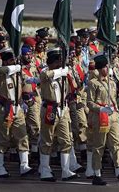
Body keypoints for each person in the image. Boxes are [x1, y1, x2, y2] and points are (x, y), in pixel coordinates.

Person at [87, 53, 119, 185]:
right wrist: (101, 109)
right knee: (99, 145)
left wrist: (117, 114)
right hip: (100, 116)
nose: (108, 69)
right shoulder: (93, 83)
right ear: (100, 68)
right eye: (105, 67)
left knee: (116, 143)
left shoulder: (112, 82)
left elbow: (116, 100)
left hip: (112, 115)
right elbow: (90, 102)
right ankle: (97, 173)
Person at [0, 48, 35, 177]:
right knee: (2, 138)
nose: (15, 62)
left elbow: (29, 81)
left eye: (15, 60)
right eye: (11, 60)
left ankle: (24, 165)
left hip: (18, 107)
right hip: (4, 108)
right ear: (5, 61)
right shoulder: (1, 72)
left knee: (22, 135)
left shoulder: (18, 72)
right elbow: (2, 70)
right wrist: (16, 67)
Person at [38, 48, 77, 182]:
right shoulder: (46, 72)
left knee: (66, 140)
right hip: (50, 108)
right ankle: (44, 169)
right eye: (57, 61)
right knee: (47, 140)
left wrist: (65, 72)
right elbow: (43, 76)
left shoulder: (63, 74)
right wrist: (59, 71)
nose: (60, 63)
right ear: (51, 62)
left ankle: (66, 170)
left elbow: (74, 86)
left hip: (63, 109)